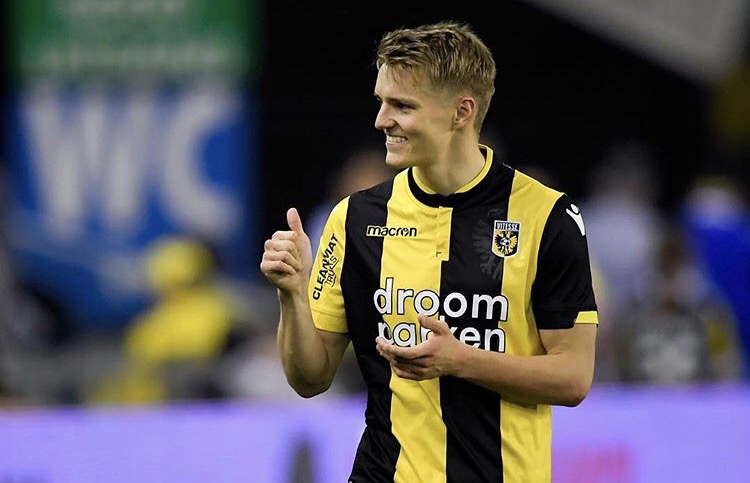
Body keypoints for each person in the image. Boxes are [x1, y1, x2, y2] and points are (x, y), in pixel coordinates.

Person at [260, 21, 598, 482]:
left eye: (402, 105)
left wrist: (460, 360)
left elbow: (573, 377)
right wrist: (292, 294)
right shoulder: (354, 219)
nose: (381, 120)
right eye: (381, 101)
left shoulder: (548, 216)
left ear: (462, 112)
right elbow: (309, 378)